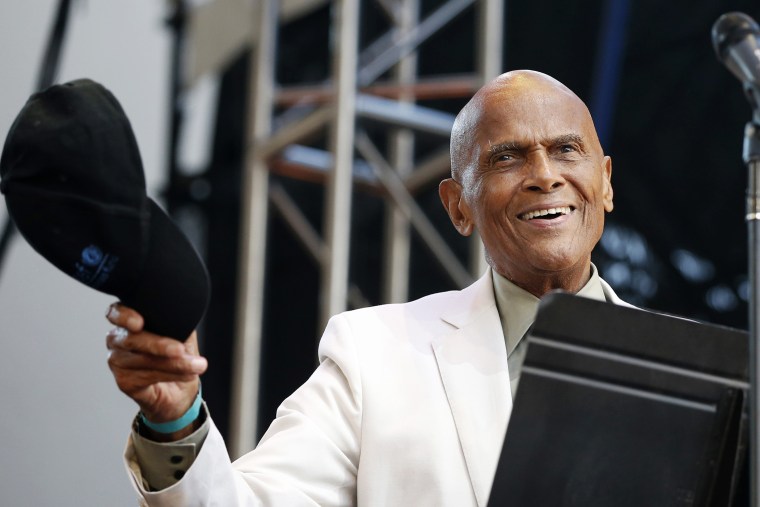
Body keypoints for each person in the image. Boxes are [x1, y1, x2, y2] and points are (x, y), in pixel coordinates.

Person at [106, 69, 625, 506]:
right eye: (507, 158)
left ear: (604, 183)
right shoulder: (375, 354)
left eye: (566, 150)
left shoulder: (697, 366)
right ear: (458, 206)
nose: (544, 175)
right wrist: (177, 422)